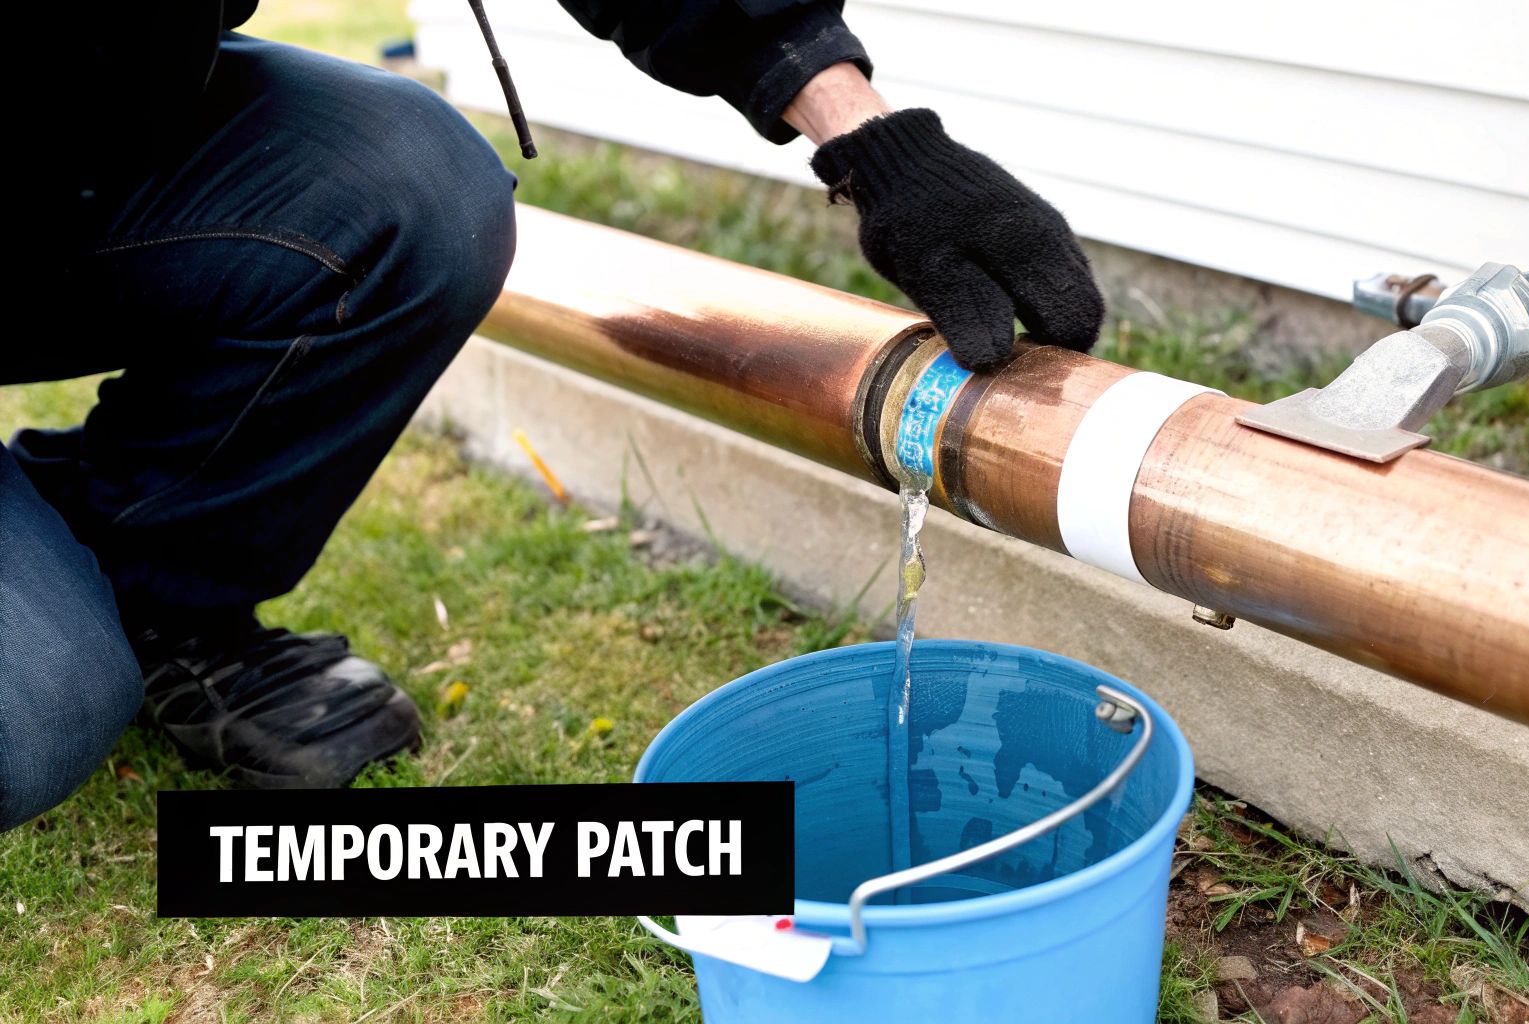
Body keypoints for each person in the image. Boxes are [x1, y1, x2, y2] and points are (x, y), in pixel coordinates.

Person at [0, 0, 1103, 831]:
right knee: (34, 717)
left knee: (408, 190)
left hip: (71, 170)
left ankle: (147, 593)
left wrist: (864, 132)